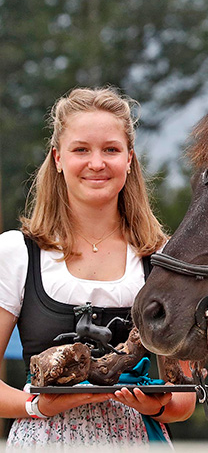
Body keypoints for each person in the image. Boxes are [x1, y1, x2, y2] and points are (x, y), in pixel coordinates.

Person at [0, 88, 197, 448]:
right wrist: (37, 406)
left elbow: (184, 398)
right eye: (81, 150)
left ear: (129, 158)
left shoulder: (161, 259)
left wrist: (156, 407)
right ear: (58, 158)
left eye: (110, 149)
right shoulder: (16, 253)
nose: (96, 163)